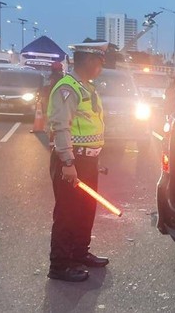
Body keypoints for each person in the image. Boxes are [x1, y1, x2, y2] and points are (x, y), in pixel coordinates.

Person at [46, 41, 110, 282]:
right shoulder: (68, 88)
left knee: (86, 210)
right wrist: (68, 162)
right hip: (72, 160)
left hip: (87, 161)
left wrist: (95, 158)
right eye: (101, 61)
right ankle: (60, 265)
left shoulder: (87, 87)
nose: (102, 66)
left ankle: (80, 253)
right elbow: (60, 126)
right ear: (90, 61)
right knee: (67, 213)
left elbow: (90, 125)